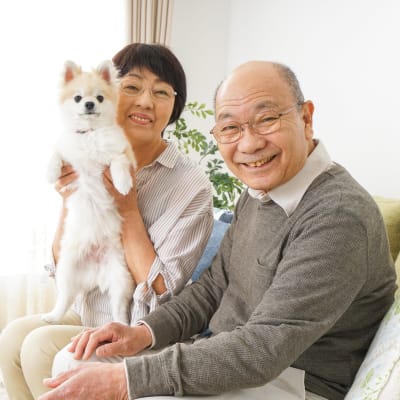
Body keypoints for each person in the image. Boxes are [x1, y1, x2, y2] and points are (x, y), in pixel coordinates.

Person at [38, 60, 396, 400]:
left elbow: (263, 349)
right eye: (230, 127)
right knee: (72, 363)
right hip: (230, 356)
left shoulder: (337, 214)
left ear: (306, 118)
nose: (250, 143)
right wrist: (143, 333)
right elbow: (213, 287)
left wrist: (126, 380)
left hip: (294, 382)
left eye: (267, 119)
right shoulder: (258, 194)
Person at [0, 43, 214, 400]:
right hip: (87, 311)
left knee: (40, 348)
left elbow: (165, 294)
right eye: (132, 87)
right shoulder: (85, 148)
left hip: (137, 328)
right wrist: (70, 199)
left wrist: (128, 210)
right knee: (10, 339)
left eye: (161, 92)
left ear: (174, 106)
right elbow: (60, 261)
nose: (146, 101)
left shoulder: (192, 188)